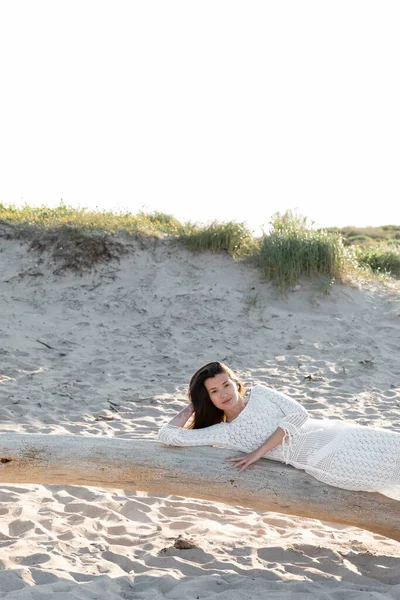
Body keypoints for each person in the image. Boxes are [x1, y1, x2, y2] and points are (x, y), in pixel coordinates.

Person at [158, 361, 400, 500]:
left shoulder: (261, 394)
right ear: (207, 397)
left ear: (235, 383)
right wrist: (194, 405)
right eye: (213, 391)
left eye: (226, 385)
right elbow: (169, 436)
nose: (223, 394)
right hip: (322, 462)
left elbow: (300, 414)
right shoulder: (225, 431)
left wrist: (259, 452)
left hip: (336, 435)